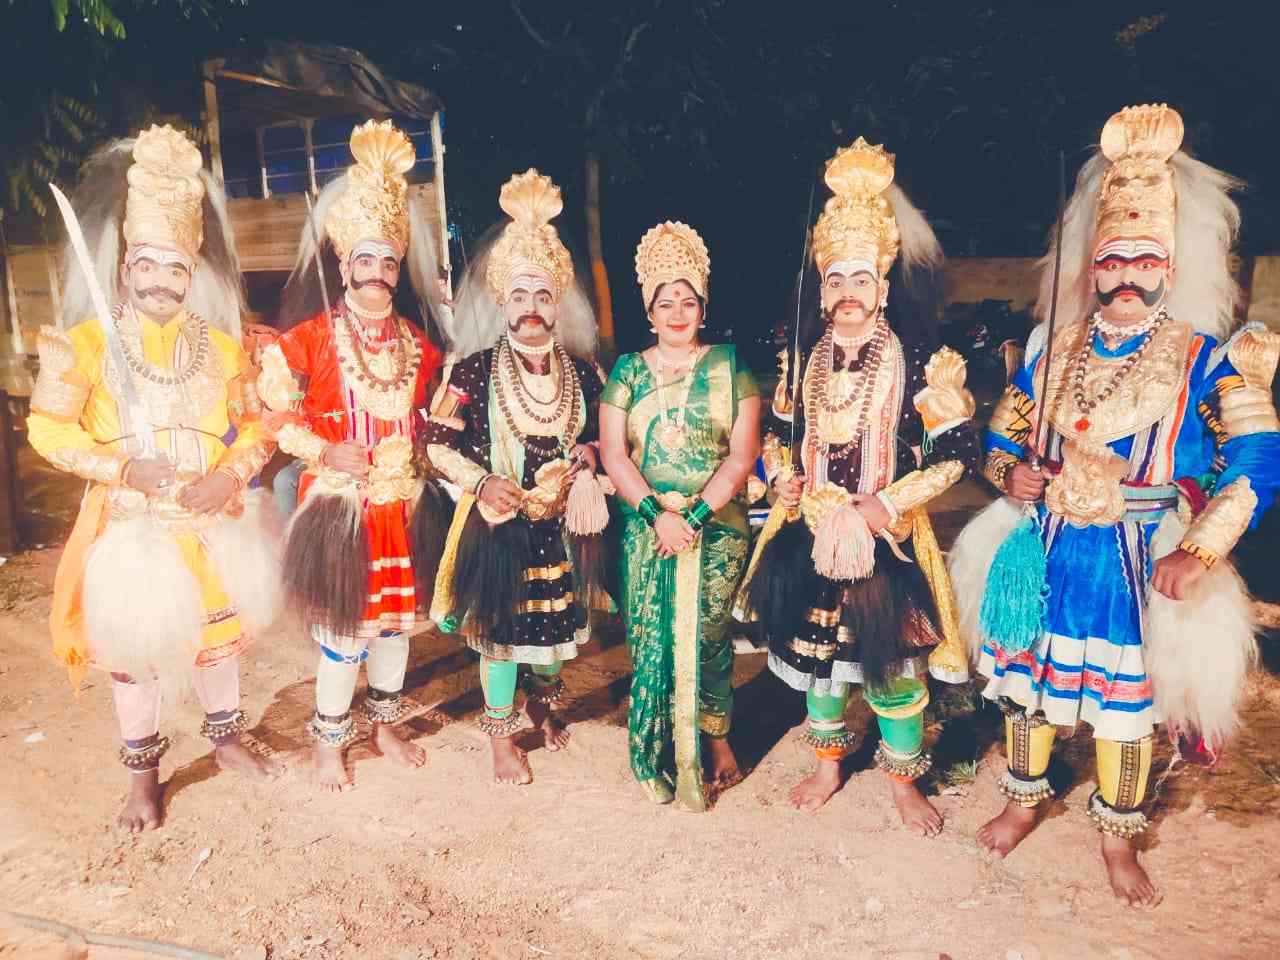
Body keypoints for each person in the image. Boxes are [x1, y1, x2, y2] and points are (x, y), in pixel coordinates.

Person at [949, 103, 1280, 904]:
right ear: (1088, 267)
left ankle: (1117, 838)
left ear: (1173, 266)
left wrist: (1199, 549)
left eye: (1144, 259)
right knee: (1025, 685)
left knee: (1124, 708)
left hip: (1139, 558)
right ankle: (1023, 802)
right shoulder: (1052, 350)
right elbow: (1002, 436)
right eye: (1110, 261)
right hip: (1046, 548)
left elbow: (1258, 455)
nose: (1125, 276)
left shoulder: (1204, 358)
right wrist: (1011, 475)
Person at [28, 125, 283, 831]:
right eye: (147, 266)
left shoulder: (223, 348)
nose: (161, 282)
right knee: (136, 659)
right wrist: (120, 467)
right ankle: (143, 778)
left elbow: (259, 428)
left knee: (219, 644)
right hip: (131, 530)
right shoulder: (82, 346)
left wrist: (229, 478)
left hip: (208, 522)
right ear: (124, 269)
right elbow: (48, 430)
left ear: (191, 273)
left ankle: (226, 739)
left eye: (176, 269)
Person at [741, 138, 979, 830]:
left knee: (892, 672)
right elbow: (778, 438)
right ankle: (828, 766)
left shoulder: (921, 360)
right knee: (817, 665)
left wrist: (884, 504)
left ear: (882, 287)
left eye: (861, 279)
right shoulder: (802, 359)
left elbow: (956, 454)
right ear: (823, 289)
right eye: (836, 280)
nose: (848, 293)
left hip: (885, 544)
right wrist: (782, 480)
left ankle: (904, 781)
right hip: (811, 538)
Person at [256, 120, 444, 792]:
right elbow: (274, 415)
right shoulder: (307, 339)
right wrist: (325, 450)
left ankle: (386, 725)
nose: (378, 274)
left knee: (395, 630)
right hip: (341, 507)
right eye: (366, 261)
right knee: (345, 633)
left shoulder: (419, 344)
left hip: (403, 504)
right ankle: (329, 739)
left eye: (388, 263)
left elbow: (437, 416)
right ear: (344, 267)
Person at [420, 169, 607, 785]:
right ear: (502, 303)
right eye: (520, 295)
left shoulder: (585, 373)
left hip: (560, 529)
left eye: (543, 296)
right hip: (498, 528)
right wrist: (480, 483)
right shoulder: (470, 372)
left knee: (555, 639)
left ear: (558, 304)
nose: (531, 308)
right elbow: (435, 444)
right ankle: (501, 740)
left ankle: (542, 706)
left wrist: (590, 458)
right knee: (500, 639)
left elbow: (607, 441)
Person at [598, 221, 761, 810]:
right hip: (646, 526)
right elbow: (614, 453)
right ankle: (649, 751)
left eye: (687, 302)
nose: (676, 313)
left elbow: (742, 456)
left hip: (715, 525)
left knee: (709, 637)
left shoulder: (729, 365)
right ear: (649, 311)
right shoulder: (627, 371)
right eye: (665, 302)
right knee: (650, 638)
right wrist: (655, 514)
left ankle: (714, 740)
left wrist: (692, 517)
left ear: (702, 308)